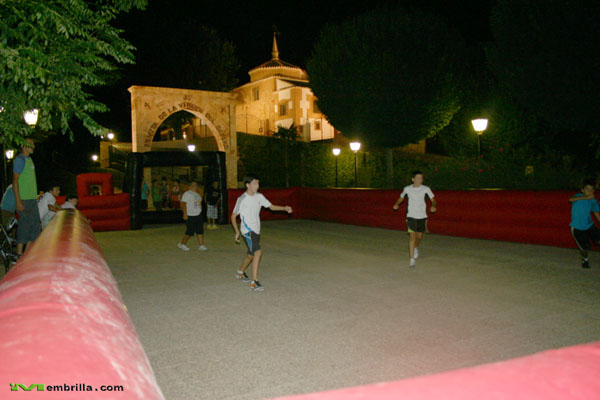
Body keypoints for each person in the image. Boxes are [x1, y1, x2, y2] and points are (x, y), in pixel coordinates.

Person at [231, 175, 292, 291]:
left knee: (251, 254)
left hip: (256, 229)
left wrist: (284, 208)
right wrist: (237, 231)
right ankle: (254, 282)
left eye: (258, 183)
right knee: (258, 252)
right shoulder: (242, 199)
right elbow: (233, 216)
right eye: (254, 183)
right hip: (248, 231)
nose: (257, 186)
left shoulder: (259, 196)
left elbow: (271, 207)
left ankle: (240, 272)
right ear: (247, 185)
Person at [393, 170, 437, 268]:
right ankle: (412, 259)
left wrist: (433, 206)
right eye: (418, 178)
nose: (420, 180)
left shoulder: (426, 189)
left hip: (422, 216)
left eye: (421, 178)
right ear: (413, 179)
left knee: (419, 236)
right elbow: (401, 197)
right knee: (412, 236)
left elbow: (433, 200)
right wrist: (396, 204)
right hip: (411, 216)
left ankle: (416, 247)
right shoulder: (407, 189)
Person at [12, 138, 41, 255]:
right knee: (24, 227)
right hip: (24, 199)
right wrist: (18, 201)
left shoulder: (29, 160)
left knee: (35, 228)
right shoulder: (19, 160)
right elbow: (15, 181)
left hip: (32, 199)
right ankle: (18, 255)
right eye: (31, 144)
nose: (33, 146)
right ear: (23, 146)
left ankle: (26, 255)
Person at [569, 180, 600, 268]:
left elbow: (596, 213)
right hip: (577, 227)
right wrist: (585, 197)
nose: (589, 191)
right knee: (584, 248)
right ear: (582, 190)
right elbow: (570, 199)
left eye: (591, 189)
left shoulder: (593, 201)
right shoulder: (578, 196)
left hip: (589, 226)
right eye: (587, 189)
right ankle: (585, 259)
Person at [177, 181, 207, 251]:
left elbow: (198, 204)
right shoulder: (187, 193)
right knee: (190, 231)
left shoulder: (198, 195)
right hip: (190, 215)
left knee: (200, 230)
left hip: (198, 214)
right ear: (189, 187)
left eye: (196, 185)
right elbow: (183, 204)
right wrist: (185, 213)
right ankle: (182, 244)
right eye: (193, 185)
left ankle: (201, 245)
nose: (195, 187)